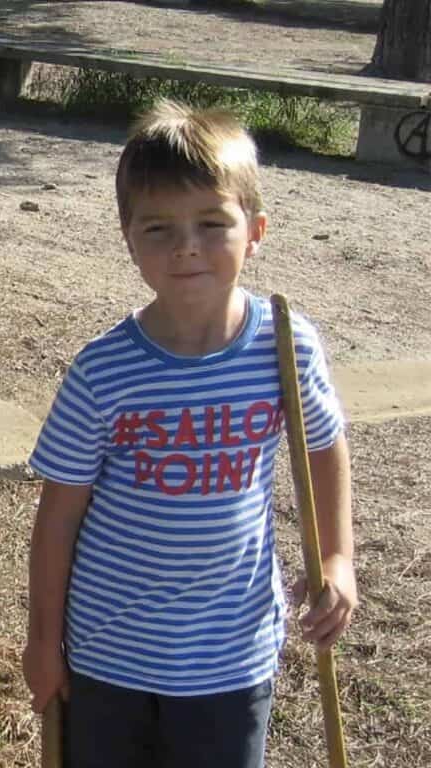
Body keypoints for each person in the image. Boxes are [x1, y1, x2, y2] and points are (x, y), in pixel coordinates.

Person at [22, 101, 357, 768]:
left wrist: (337, 559)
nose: (187, 248)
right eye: (159, 228)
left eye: (212, 224)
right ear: (128, 238)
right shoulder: (104, 370)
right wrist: (43, 642)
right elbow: (57, 518)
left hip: (231, 657)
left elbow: (324, 447)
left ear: (255, 230)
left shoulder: (285, 347)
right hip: (108, 653)